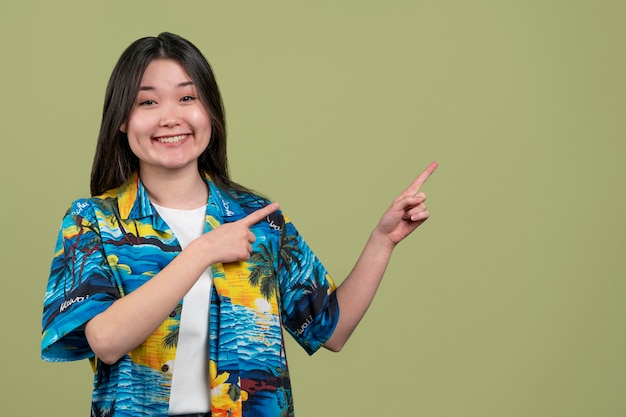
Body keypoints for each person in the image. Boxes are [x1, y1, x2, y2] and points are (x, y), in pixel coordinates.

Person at [41, 32, 437, 417]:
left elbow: (332, 330)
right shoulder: (92, 221)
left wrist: (382, 241)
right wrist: (202, 253)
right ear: (123, 120)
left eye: (186, 97)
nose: (171, 117)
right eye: (147, 102)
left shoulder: (259, 220)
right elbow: (106, 340)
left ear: (209, 110)